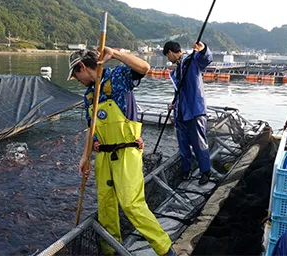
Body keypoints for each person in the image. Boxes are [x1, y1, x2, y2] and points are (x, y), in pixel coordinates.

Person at [67, 48, 175, 256]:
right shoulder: (89, 94)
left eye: (76, 74)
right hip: (103, 155)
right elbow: (92, 128)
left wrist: (115, 54)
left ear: (82, 67)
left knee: (131, 203)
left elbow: (144, 68)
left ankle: (165, 250)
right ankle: (111, 250)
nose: (76, 79)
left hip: (126, 152)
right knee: (106, 205)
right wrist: (85, 157)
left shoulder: (117, 76)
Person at [163, 41, 213, 185]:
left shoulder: (192, 61)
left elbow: (206, 59)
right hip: (180, 112)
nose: (168, 60)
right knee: (183, 143)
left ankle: (205, 171)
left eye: (168, 56)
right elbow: (179, 91)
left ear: (171, 52)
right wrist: (174, 103)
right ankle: (187, 170)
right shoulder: (176, 70)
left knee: (199, 143)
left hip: (195, 110)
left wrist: (203, 50)